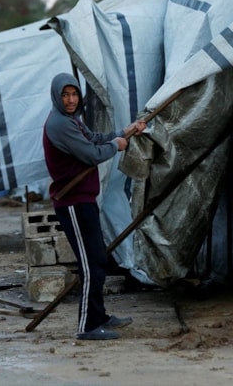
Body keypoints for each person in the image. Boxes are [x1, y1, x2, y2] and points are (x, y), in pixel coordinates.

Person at [42, 73, 146, 341]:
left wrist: (125, 132)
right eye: (65, 95)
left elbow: (95, 138)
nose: (70, 100)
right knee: (90, 265)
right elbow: (92, 153)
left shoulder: (72, 120)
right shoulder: (59, 124)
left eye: (74, 94)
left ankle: (98, 316)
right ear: (57, 97)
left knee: (98, 260)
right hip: (72, 203)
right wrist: (115, 146)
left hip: (83, 199)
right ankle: (87, 326)